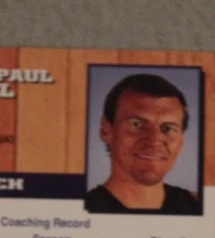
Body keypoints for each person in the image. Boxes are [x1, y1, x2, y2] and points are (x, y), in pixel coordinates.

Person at [85, 73, 199, 213]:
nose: (154, 141)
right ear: (106, 131)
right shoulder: (82, 211)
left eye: (168, 128)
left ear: (181, 141)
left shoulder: (196, 205)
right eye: (137, 124)